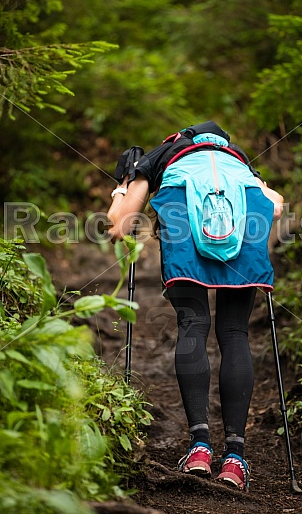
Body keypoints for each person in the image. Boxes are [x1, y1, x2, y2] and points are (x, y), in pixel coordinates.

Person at [108, 121, 284, 491]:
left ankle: (200, 448)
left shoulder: (162, 154)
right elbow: (277, 206)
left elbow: (120, 223)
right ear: (220, 141)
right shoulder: (238, 161)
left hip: (183, 212)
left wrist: (122, 187)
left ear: (178, 138)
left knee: (193, 324)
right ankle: (235, 458)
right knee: (235, 332)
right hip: (246, 217)